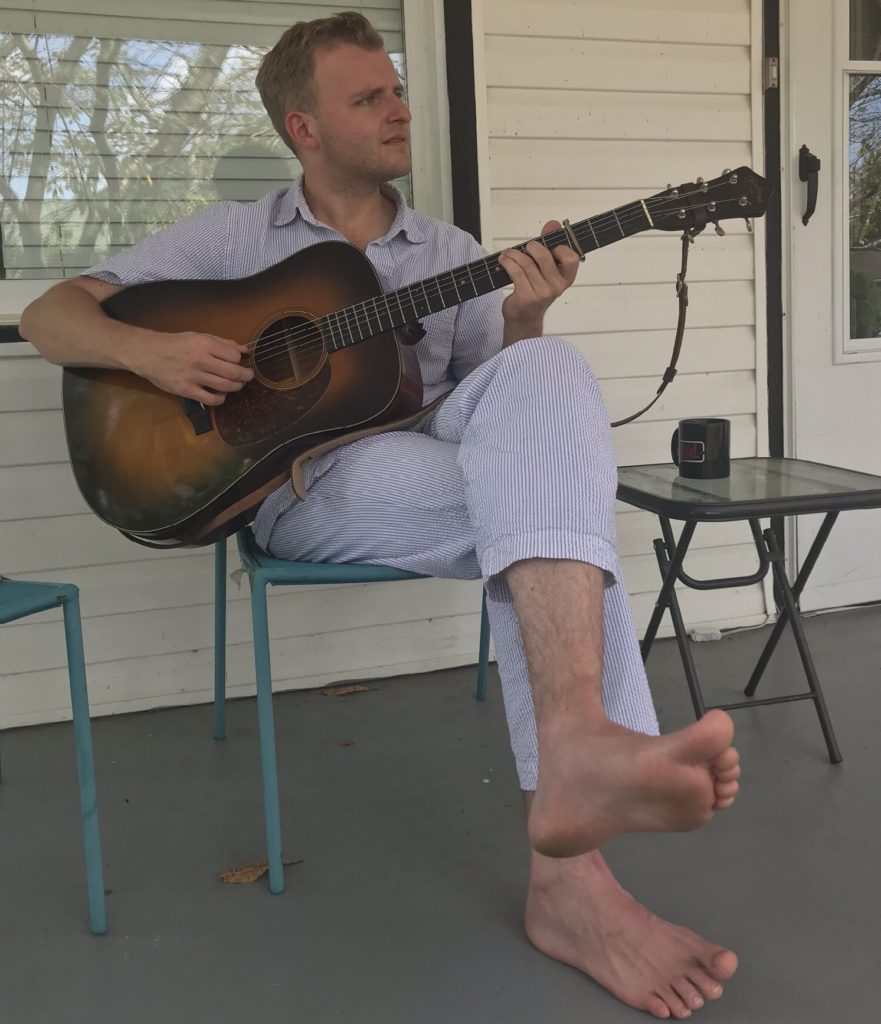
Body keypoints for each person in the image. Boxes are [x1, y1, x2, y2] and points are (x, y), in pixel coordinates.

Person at [20, 13, 741, 1020]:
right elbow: (47, 316)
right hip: (306, 489)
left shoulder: (446, 252)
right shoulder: (239, 237)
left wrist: (526, 317)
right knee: (547, 513)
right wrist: (156, 355)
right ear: (302, 127)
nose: (399, 107)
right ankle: (574, 853)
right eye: (370, 97)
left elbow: (498, 410)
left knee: (549, 376)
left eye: (397, 89)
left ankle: (576, 768)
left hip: (432, 470)